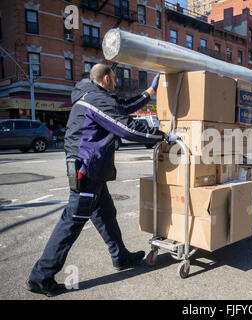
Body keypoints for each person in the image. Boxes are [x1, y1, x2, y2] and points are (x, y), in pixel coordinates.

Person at [26, 64, 167, 297]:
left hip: (93, 172)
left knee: (106, 216)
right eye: (114, 77)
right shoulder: (96, 100)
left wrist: (150, 93)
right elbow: (125, 126)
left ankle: (121, 258)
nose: (116, 81)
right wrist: (162, 136)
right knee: (71, 223)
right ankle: (40, 278)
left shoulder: (95, 97)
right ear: (105, 78)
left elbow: (122, 108)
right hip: (86, 173)